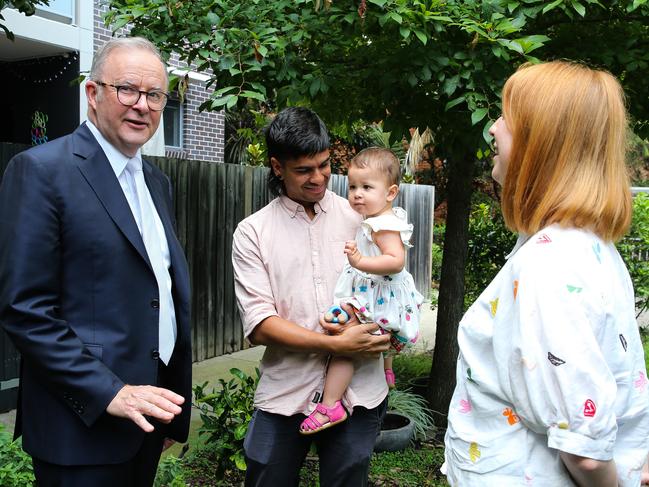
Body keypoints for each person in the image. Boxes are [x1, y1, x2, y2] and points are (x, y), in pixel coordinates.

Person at [442, 61, 649, 486]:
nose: (493, 129)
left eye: (508, 118)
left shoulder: (551, 264)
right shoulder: (586, 245)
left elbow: (586, 452)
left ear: (543, 146)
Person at [0, 37, 192, 486]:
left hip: (148, 416)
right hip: (80, 426)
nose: (142, 105)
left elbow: (156, 291)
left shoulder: (156, 182)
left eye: (155, 95)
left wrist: (169, 404)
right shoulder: (42, 171)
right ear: (92, 92)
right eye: (127, 89)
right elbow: (25, 310)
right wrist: (114, 393)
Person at [232, 106, 391, 486]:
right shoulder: (253, 232)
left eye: (324, 165)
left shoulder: (361, 219)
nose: (319, 178)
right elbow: (260, 325)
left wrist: (386, 332)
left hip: (360, 391)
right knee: (267, 477)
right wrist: (335, 343)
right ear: (277, 166)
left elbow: (390, 289)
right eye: (304, 170)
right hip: (286, 389)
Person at [299, 147, 423, 434]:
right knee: (352, 331)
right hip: (381, 294)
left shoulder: (383, 224)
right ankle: (387, 369)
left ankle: (330, 404)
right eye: (353, 186)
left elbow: (395, 261)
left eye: (367, 187)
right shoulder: (377, 218)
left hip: (380, 295)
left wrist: (360, 261)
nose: (356, 193)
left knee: (344, 344)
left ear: (390, 193)